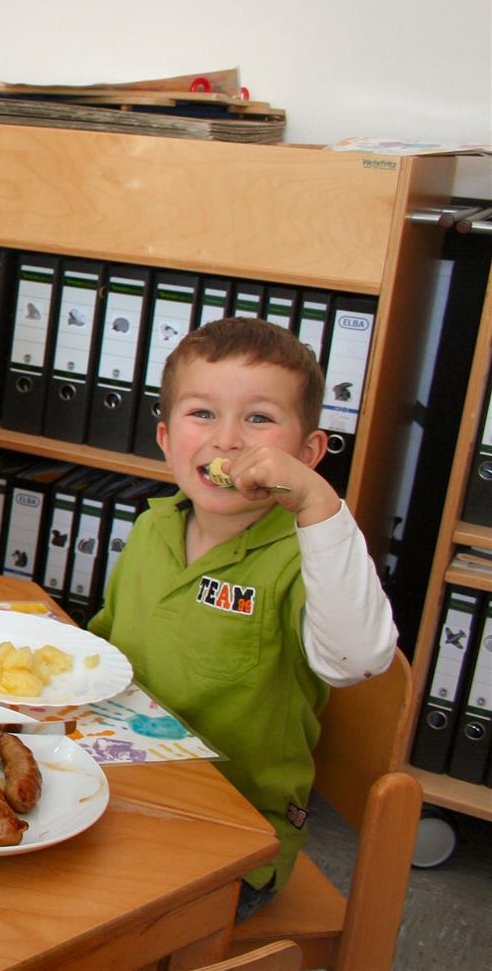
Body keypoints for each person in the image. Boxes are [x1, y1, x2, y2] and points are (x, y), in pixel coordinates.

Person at [88, 317, 397, 920]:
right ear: (165, 436)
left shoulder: (301, 560)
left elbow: (359, 658)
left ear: (307, 454)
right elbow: (105, 654)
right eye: (202, 414)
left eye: (259, 418)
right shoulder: (153, 527)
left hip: (236, 836)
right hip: (123, 789)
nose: (228, 440)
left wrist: (317, 503)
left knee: (80, 917)